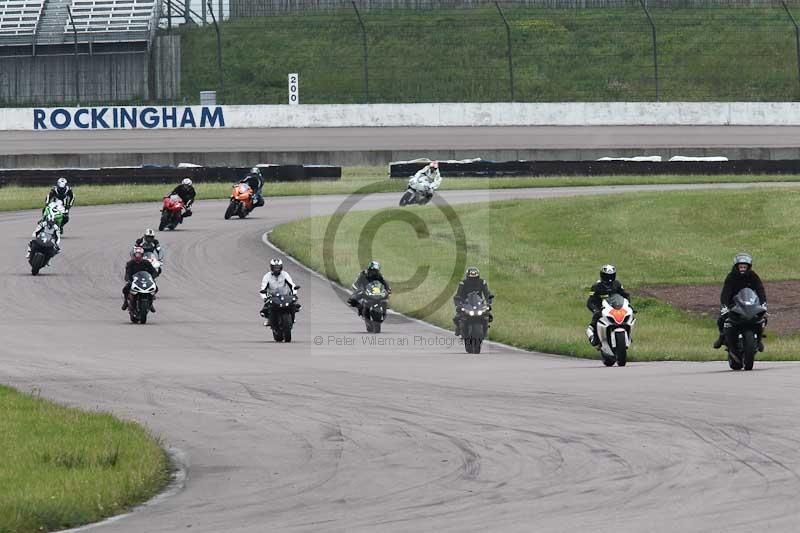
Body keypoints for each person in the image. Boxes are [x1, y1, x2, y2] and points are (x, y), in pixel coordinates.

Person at [713, 253, 767, 351]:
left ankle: (758, 340)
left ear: (748, 267)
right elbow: (725, 292)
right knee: (722, 319)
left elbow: (760, 289)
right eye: (740, 267)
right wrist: (724, 306)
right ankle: (722, 337)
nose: (742, 269)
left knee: (763, 317)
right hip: (734, 304)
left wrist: (763, 303)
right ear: (736, 267)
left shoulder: (753, 276)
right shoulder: (731, 276)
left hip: (750, 303)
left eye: (744, 267)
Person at [586, 264, 631, 348]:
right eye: (607, 276)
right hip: (601, 309)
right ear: (602, 275)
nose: (609, 279)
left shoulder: (617, 284)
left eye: (611, 276)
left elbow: (625, 295)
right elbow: (591, 301)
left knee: (628, 317)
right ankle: (595, 337)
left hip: (615, 308)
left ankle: (628, 336)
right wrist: (595, 310)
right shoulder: (596, 287)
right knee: (596, 319)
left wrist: (628, 305)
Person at [452, 266, 494, 336]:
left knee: (488, 315)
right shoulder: (463, 283)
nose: (473, 278)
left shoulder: (482, 282)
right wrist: (458, 304)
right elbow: (458, 295)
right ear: (468, 275)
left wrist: (489, 302)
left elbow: (487, 293)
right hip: (466, 303)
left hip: (479, 303)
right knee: (457, 317)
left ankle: (485, 329)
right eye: (471, 276)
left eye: (474, 276)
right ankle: (458, 328)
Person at [260, 258, 300, 326]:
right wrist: (265, 297)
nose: (276, 269)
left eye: (278, 267)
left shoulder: (285, 274)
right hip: (272, 296)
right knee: (264, 309)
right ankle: (269, 319)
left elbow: (292, 285)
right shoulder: (267, 276)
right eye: (275, 267)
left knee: (295, 304)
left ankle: (292, 318)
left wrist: (294, 293)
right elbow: (263, 288)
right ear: (271, 267)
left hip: (284, 295)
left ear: (281, 267)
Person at [122, 246, 159, 312]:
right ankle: (125, 302)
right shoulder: (130, 263)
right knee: (125, 289)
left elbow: (154, 271)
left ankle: (150, 304)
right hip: (134, 281)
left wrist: (152, 277)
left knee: (156, 288)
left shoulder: (146, 263)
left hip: (146, 280)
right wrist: (128, 279)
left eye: (139, 254)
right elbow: (127, 273)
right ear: (134, 255)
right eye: (136, 254)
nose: (138, 256)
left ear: (142, 255)